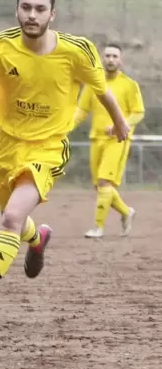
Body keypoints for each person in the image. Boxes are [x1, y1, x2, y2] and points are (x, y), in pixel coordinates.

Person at [0, 0, 130, 326]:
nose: (31, 15)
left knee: (10, 218)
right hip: (7, 145)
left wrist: (121, 124)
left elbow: (103, 91)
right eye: (26, 7)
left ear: (53, 14)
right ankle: (37, 240)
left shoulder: (76, 51)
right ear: (16, 10)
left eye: (39, 9)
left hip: (50, 147)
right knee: (14, 217)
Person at [73, 43, 144, 239]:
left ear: (121, 60)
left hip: (118, 140)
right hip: (96, 139)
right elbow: (81, 110)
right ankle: (126, 212)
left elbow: (138, 113)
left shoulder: (129, 85)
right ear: (101, 59)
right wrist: (65, 126)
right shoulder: (92, 84)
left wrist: (121, 125)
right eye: (107, 56)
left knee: (105, 182)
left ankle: (98, 227)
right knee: (101, 186)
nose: (110, 59)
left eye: (114, 56)